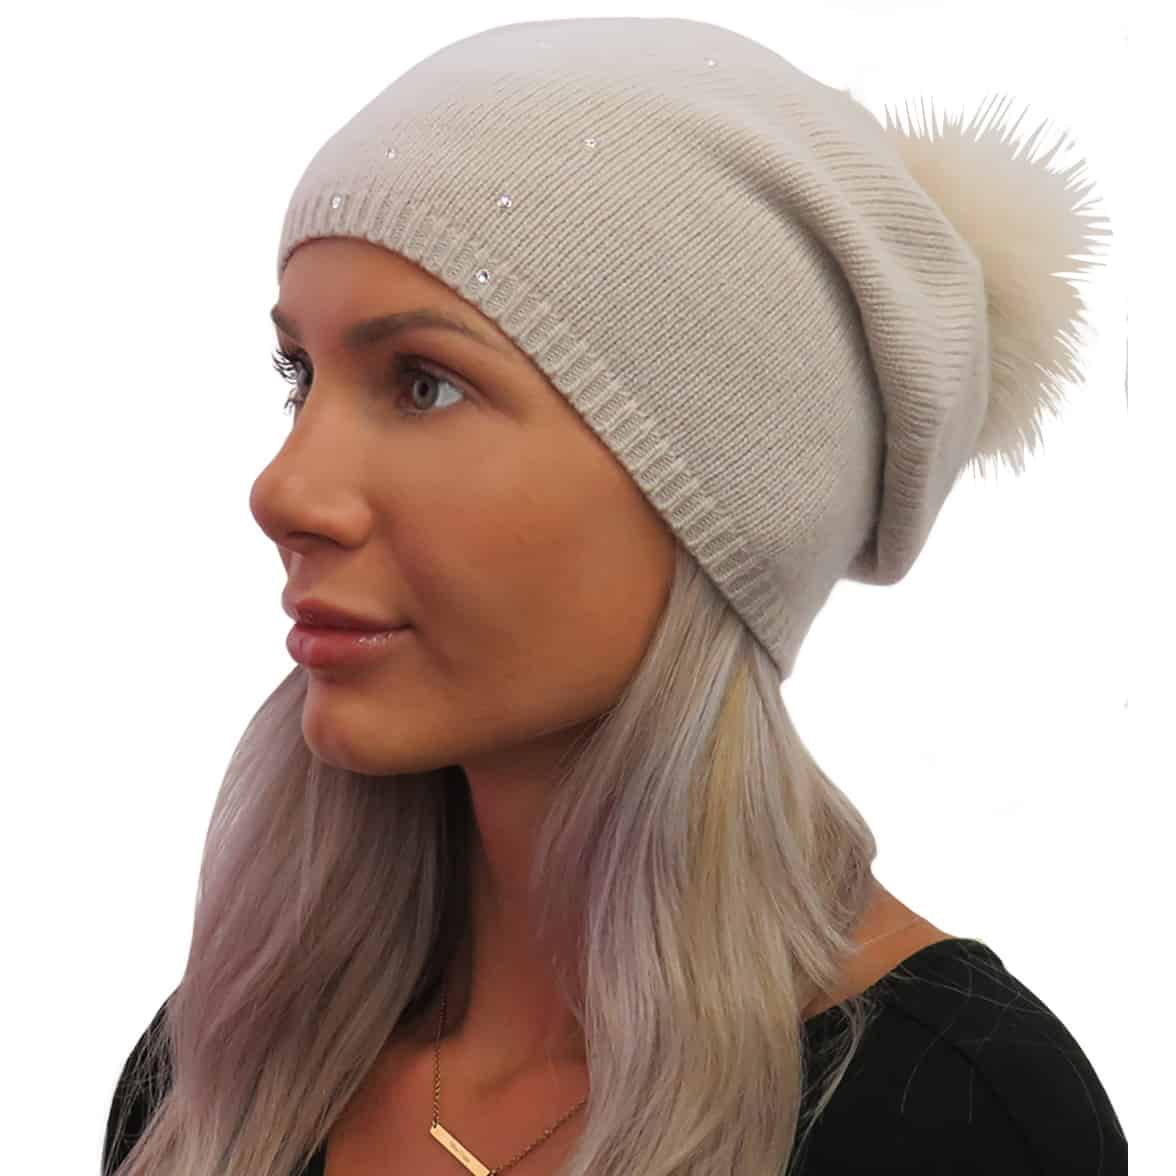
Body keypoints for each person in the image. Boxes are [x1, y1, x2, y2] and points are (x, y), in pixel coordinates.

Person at [102, 16, 1124, 1176]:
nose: (284, 490)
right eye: (301, 376)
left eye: (425, 385)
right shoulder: (220, 1076)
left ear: (713, 500)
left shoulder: (955, 1119)